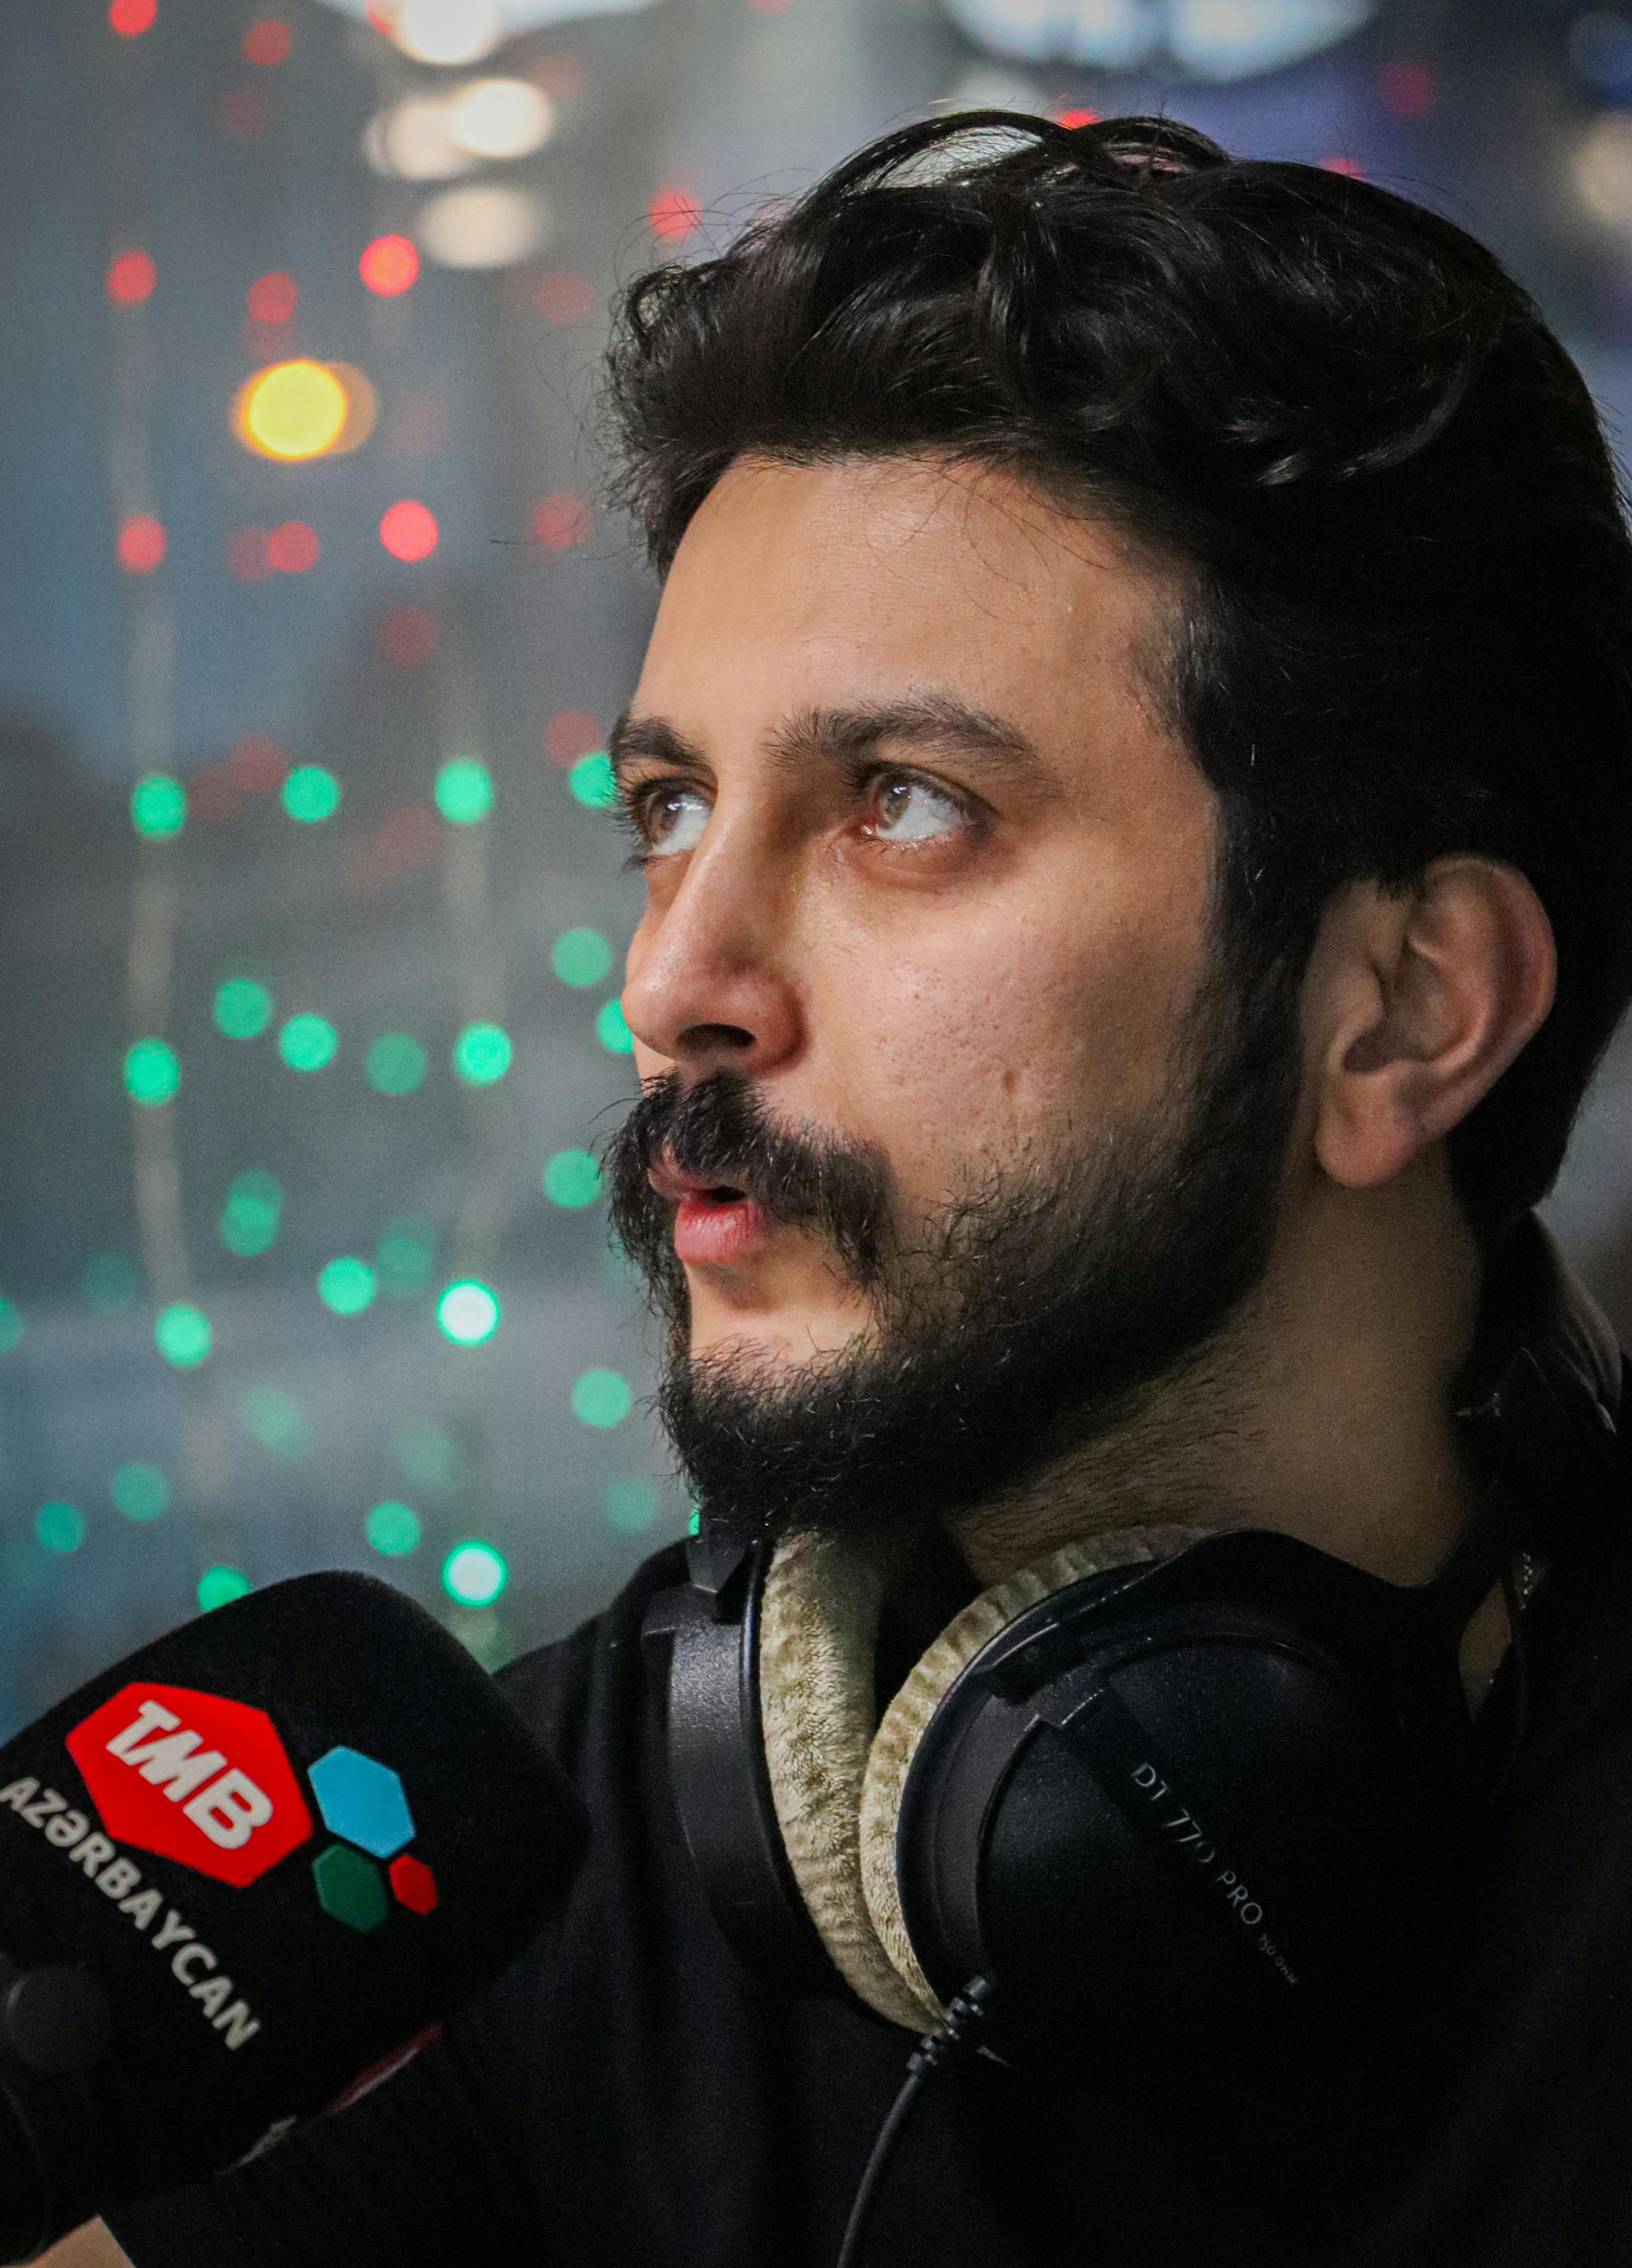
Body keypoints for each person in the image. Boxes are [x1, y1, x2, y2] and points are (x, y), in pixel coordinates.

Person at [58, 110, 1632, 2266]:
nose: (669, 982)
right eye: (670, 802)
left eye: (903, 804)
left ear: (1400, 1009)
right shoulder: (527, 1858)